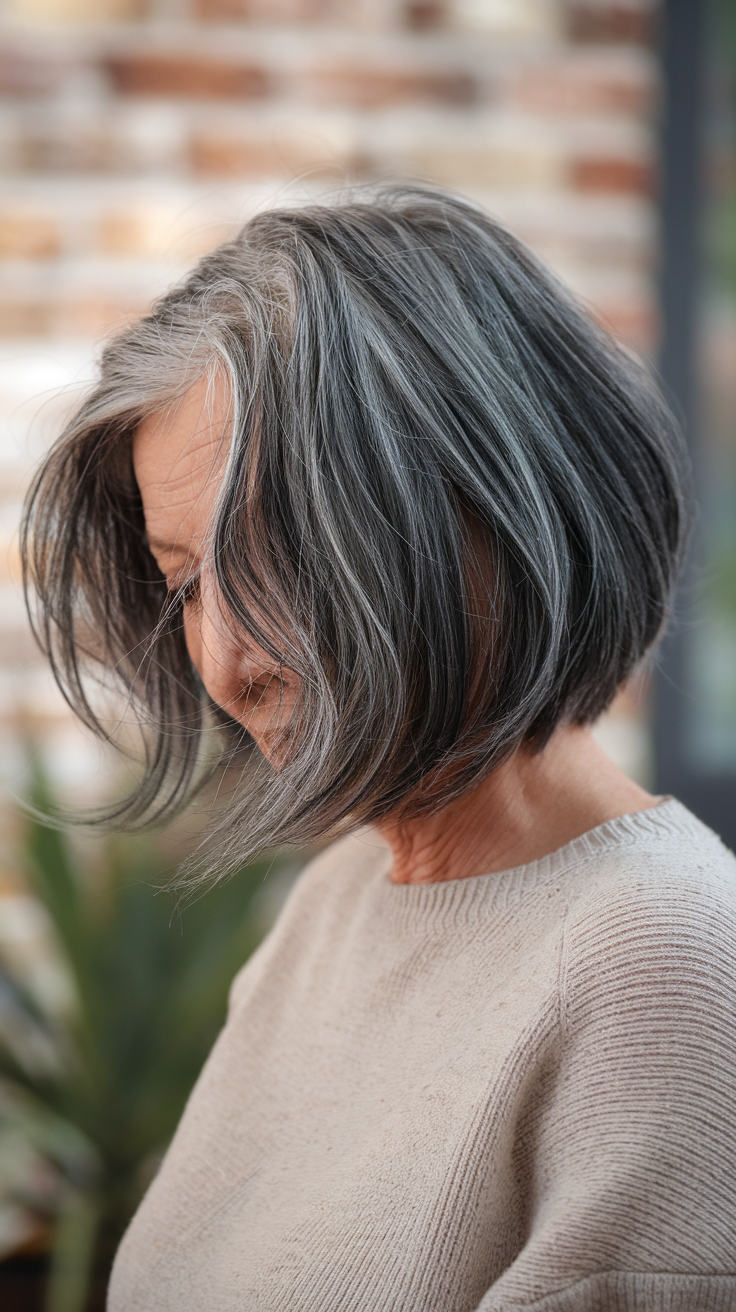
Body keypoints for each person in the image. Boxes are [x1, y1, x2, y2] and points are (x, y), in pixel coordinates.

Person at [22, 186, 736, 1311]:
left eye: (278, 554)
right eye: (187, 584)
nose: (223, 663)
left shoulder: (672, 969)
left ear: (491, 511)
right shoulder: (338, 900)